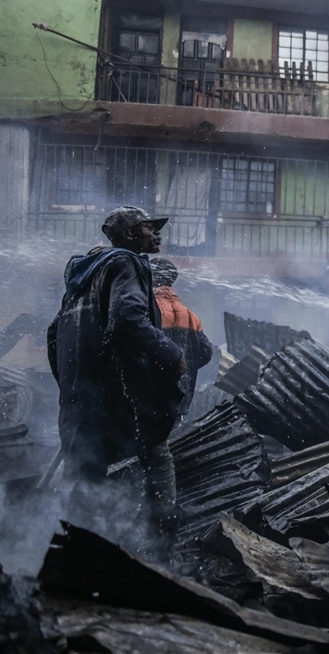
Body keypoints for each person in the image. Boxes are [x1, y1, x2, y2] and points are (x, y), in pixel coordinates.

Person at [47, 206, 185, 556]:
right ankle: (162, 549)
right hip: (117, 395)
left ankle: (72, 556)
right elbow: (127, 319)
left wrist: (71, 386)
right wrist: (172, 355)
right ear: (127, 234)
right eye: (148, 227)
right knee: (156, 451)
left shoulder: (81, 276)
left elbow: (53, 334)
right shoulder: (127, 262)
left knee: (84, 475)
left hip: (79, 401)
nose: (157, 233)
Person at [151, 258, 213, 422]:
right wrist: (187, 367)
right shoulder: (190, 315)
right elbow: (206, 352)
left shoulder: (146, 309)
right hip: (181, 394)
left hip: (151, 393)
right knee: (171, 439)